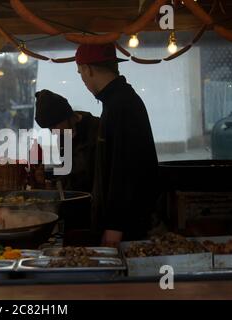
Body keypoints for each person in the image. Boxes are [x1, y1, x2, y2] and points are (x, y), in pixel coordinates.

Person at [75, 43, 159, 247]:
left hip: (128, 229)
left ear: (88, 69)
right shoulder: (116, 102)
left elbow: (126, 169)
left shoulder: (121, 106)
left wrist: (114, 227)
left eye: (80, 73)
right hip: (122, 225)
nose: (83, 80)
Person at [35, 89, 100, 193]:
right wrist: (48, 178)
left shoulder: (97, 130)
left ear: (67, 116)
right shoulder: (64, 135)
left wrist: (55, 184)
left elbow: (84, 175)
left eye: (55, 126)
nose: (53, 132)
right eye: (50, 128)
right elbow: (67, 171)